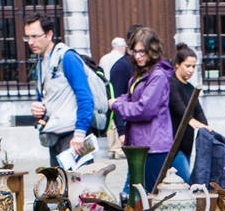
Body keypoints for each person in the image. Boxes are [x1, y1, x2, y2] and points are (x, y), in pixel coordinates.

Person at [108, 26, 174, 193]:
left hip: (153, 146)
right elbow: (130, 98)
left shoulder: (157, 75)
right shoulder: (142, 74)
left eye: (142, 52)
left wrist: (116, 104)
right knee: (136, 195)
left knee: (148, 196)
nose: (137, 56)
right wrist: (120, 101)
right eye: (135, 51)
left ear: (151, 51)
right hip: (141, 144)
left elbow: (143, 109)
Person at [26, 13, 94, 166]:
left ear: (49, 34)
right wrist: (38, 107)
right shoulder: (40, 63)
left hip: (74, 137)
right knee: (59, 187)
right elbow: (46, 97)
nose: (31, 42)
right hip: (55, 135)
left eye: (35, 36)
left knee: (81, 187)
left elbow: (85, 96)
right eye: (28, 37)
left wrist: (80, 133)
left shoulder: (67, 57)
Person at [168, 43, 209, 182]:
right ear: (178, 64)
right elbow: (179, 107)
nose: (191, 70)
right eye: (187, 66)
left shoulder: (190, 88)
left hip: (186, 143)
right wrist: (193, 122)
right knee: (186, 182)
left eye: (193, 66)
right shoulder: (171, 84)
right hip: (173, 143)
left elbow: (198, 111)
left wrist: (207, 128)